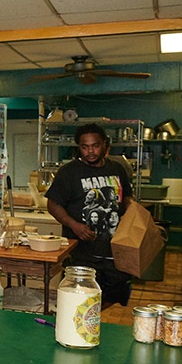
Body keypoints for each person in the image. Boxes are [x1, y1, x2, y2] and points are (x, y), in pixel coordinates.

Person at [46, 123, 134, 306]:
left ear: (105, 145)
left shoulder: (117, 169)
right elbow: (53, 204)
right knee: (81, 301)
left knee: (113, 298)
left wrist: (132, 208)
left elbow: (126, 197)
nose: (90, 151)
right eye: (84, 147)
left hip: (115, 252)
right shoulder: (69, 173)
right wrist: (74, 225)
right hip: (82, 253)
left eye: (95, 145)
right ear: (79, 147)